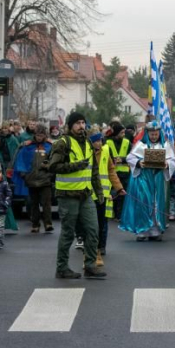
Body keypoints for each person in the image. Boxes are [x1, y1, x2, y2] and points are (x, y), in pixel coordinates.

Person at [45, 112, 105, 279]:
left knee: (93, 230)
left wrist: (99, 192)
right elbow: (53, 166)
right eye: (77, 123)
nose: (81, 126)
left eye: (83, 122)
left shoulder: (88, 143)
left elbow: (93, 171)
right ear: (70, 126)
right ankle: (62, 268)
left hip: (85, 194)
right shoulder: (63, 143)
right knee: (68, 233)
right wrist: (76, 165)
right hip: (67, 194)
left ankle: (90, 265)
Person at [120, 121, 175, 241]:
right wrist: (138, 163)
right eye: (152, 134)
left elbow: (173, 160)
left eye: (156, 134)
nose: (154, 136)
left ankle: (155, 230)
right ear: (148, 133)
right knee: (143, 202)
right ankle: (142, 230)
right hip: (144, 179)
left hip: (158, 178)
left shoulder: (165, 145)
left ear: (159, 134)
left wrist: (167, 164)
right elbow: (130, 157)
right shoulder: (141, 145)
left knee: (156, 203)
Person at [88, 131, 125, 266]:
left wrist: (119, 188)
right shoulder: (86, 152)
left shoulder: (105, 151)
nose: (99, 143)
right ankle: (90, 248)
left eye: (100, 140)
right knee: (91, 225)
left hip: (102, 195)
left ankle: (100, 247)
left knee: (102, 223)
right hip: (88, 194)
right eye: (96, 141)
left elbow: (111, 171)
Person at [14, 126, 53, 233]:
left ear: (45, 135)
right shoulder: (27, 147)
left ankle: (48, 224)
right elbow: (21, 160)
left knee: (46, 203)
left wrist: (50, 173)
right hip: (31, 180)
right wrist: (23, 174)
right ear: (34, 135)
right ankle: (35, 224)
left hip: (45, 180)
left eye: (41, 135)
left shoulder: (50, 147)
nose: (39, 137)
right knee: (33, 204)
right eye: (37, 135)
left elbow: (55, 161)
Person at [106, 122, 132, 222]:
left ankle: (119, 215)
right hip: (113, 173)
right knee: (113, 194)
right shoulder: (108, 143)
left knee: (122, 196)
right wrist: (113, 160)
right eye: (121, 132)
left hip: (125, 173)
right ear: (116, 133)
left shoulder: (127, 142)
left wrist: (123, 159)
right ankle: (112, 213)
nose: (124, 134)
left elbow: (131, 156)